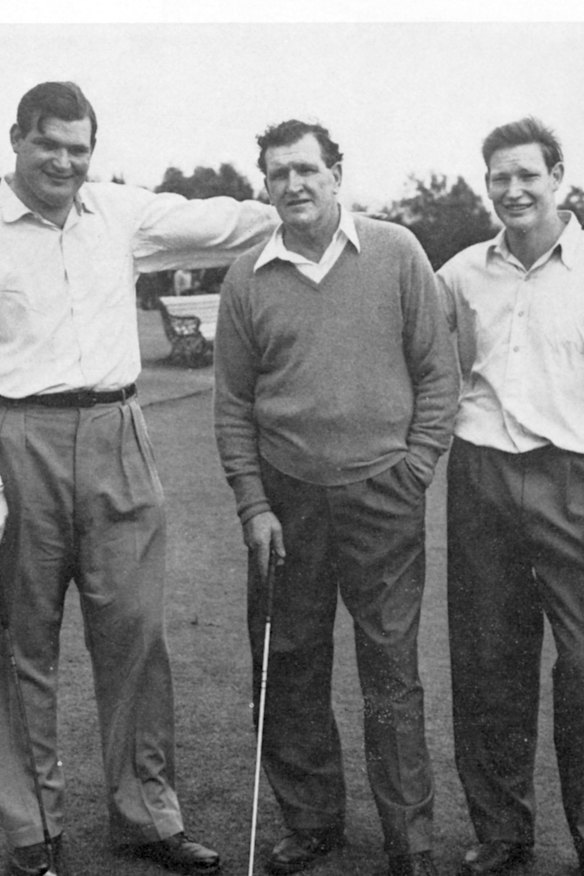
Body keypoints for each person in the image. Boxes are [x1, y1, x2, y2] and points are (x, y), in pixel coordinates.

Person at [0, 80, 277, 876]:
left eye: (78, 149)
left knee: (136, 639)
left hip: (119, 432)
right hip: (19, 436)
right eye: (49, 145)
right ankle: (31, 832)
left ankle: (147, 816)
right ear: (17, 140)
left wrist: (299, 203)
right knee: (21, 644)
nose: (64, 162)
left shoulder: (119, 212)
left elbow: (223, 222)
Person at [214, 119, 458, 876]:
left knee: (390, 669)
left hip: (383, 494)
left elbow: (438, 372)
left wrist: (417, 466)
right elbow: (232, 405)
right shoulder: (246, 276)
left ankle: (409, 839)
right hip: (287, 500)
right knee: (289, 663)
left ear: (336, 174)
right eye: (278, 173)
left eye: (307, 169)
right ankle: (313, 823)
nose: (293, 184)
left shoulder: (396, 250)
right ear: (265, 185)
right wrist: (254, 505)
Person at [438, 117, 584, 876]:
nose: (514, 189)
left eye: (528, 174)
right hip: (483, 476)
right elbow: (425, 358)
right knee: (489, 661)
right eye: (501, 177)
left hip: (574, 479)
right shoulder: (462, 273)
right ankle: (502, 831)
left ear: (557, 176)